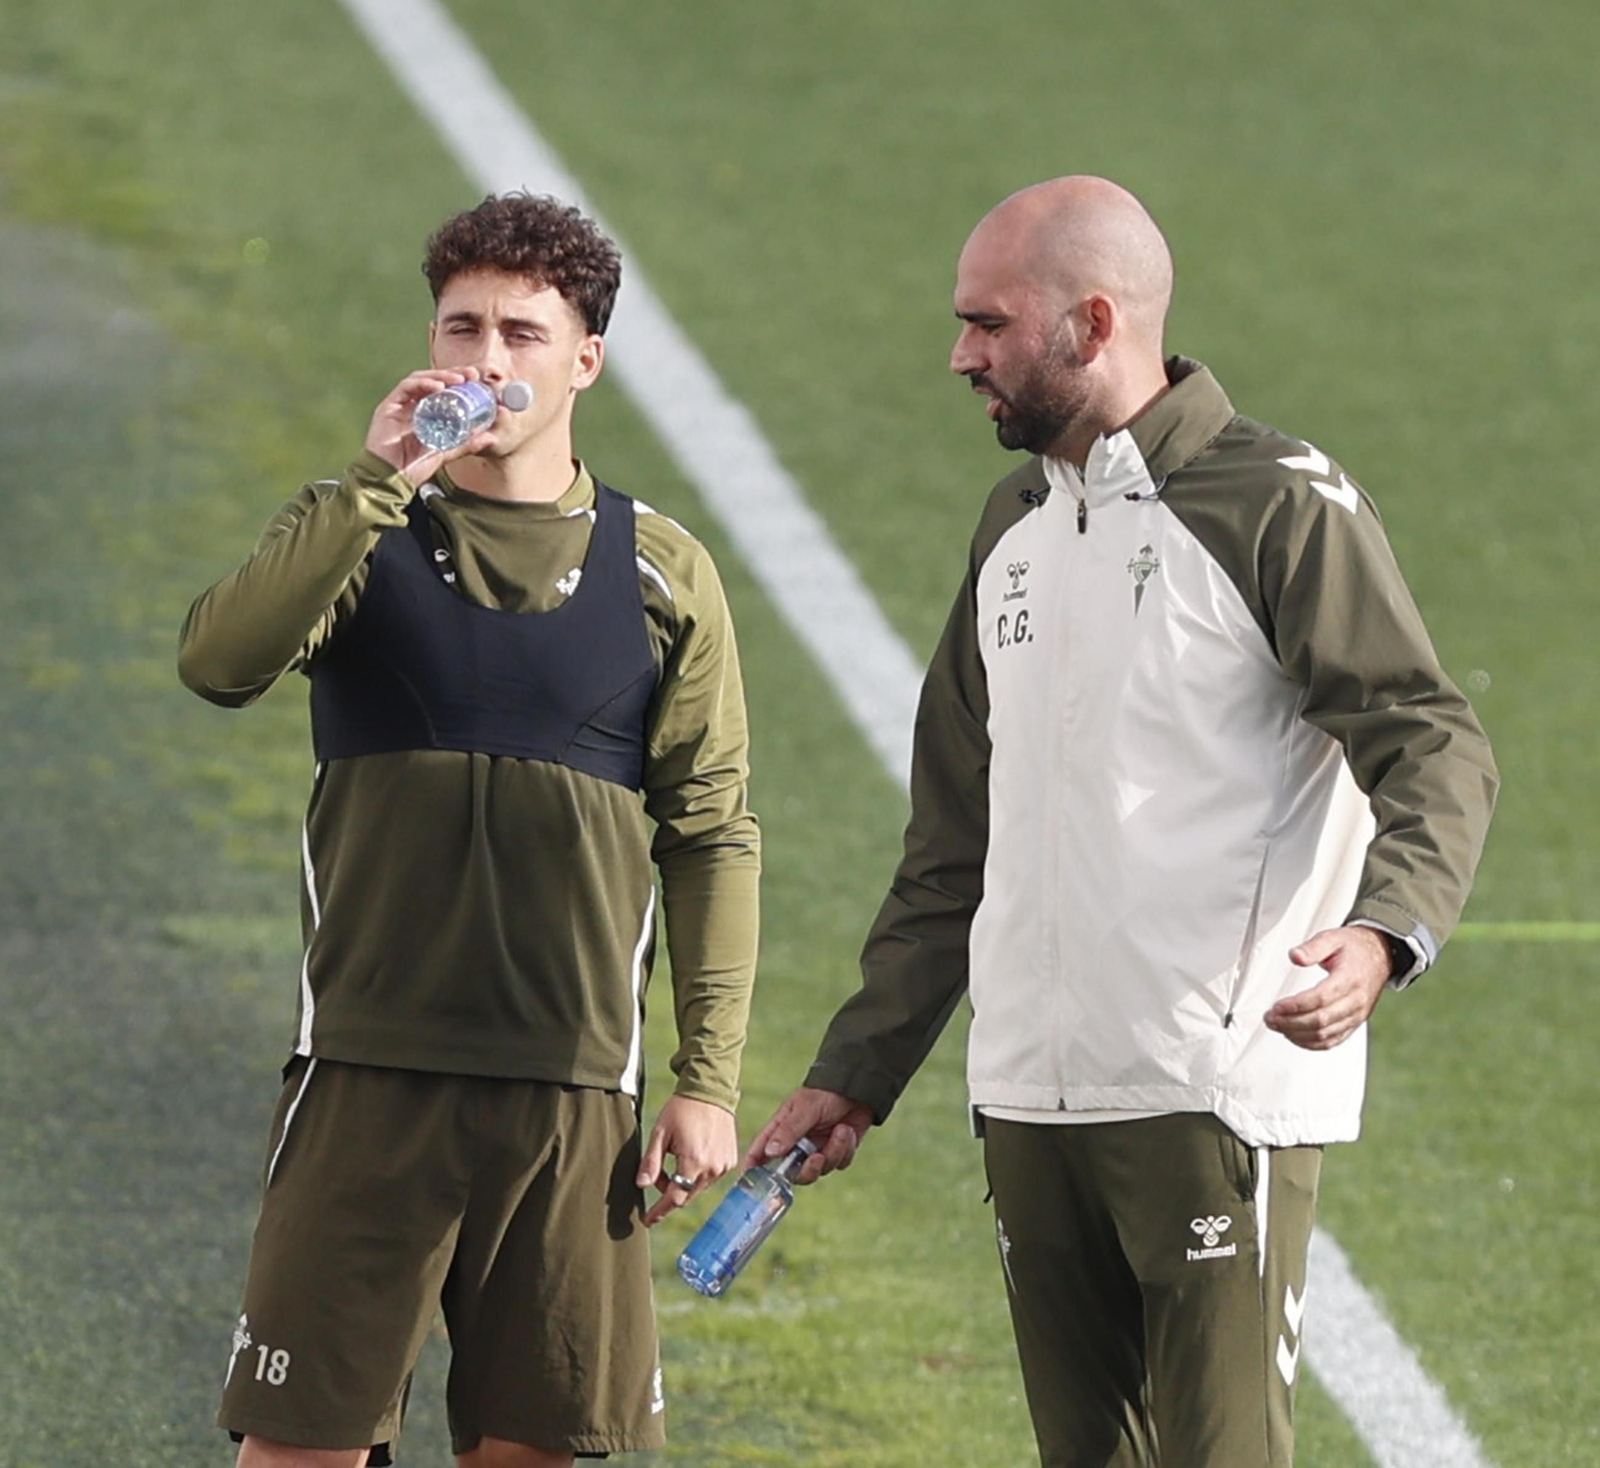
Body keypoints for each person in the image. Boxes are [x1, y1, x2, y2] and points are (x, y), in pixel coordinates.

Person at [746, 176, 1497, 1468]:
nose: (959, 355)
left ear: (1091, 324)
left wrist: (1382, 937)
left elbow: (1430, 739)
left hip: (1208, 1097)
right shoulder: (1015, 530)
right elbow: (952, 848)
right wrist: (857, 1073)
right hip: (1033, 1102)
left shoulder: (1277, 508)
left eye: (988, 324)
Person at [179, 193, 760, 1468]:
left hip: (569, 1094)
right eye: (461, 328)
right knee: (298, 1451)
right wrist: (380, 477)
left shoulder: (661, 572)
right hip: (367, 1074)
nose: (486, 363)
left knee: (536, 1452)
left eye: (521, 334)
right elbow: (219, 663)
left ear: (585, 360)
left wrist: (706, 1079)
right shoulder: (356, 530)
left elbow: (710, 832)